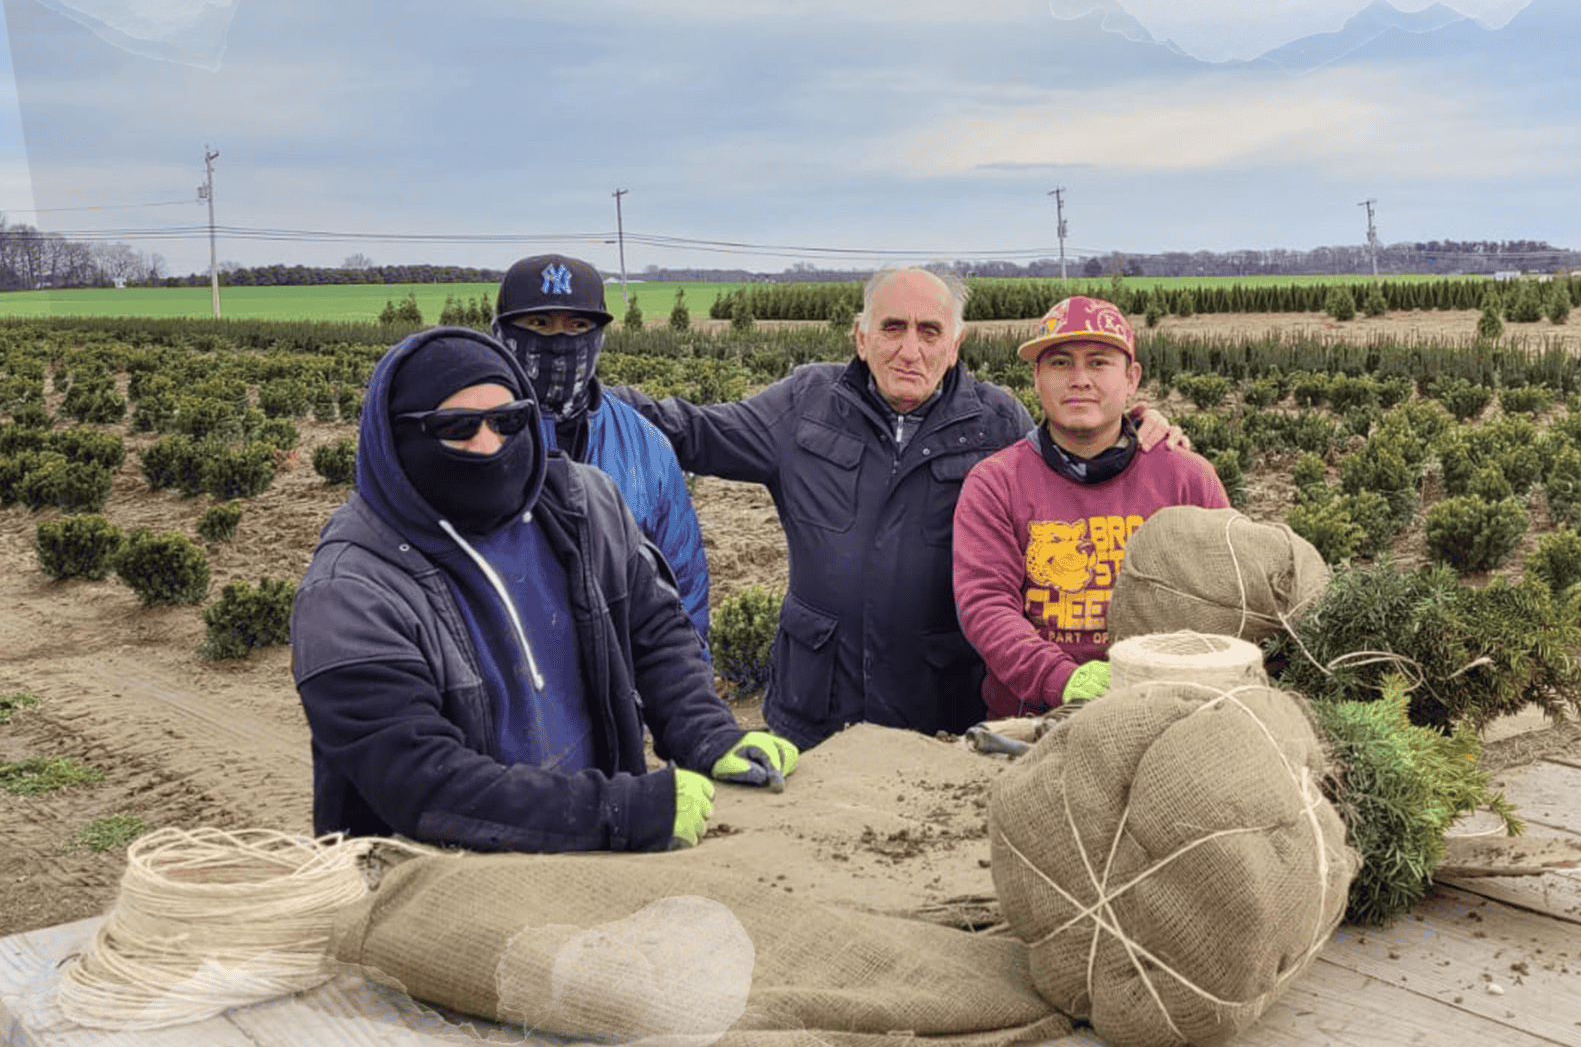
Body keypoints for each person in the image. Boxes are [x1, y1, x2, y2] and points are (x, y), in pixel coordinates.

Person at [607, 266, 1188, 750]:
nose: (910, 349)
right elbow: (692, 430)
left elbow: (1072, 462)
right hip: (815, 704)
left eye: (930, 331)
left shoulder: (995, 419)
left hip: (942, 706)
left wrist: (1132, 428)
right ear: (861, 337)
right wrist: (585, 398)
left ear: (956, 343)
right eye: (892, 328)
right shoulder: (805, 404)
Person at [290, 326, 797, 854]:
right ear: (397, 439)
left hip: (583, 860)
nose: (489, 446)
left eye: (508, 421)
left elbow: (657, 632)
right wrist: (619, 812)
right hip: (426, 888)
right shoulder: (348, 592)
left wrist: (708, 733)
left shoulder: (585, 505)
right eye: (456, 426)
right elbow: (420, 781)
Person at [953, 295, 1230, 719]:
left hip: (1162, 710)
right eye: (1061, 363)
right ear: (1038, 378)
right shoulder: (996, 483)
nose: (1080, 379)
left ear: (1131, 378)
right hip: (1032, 717)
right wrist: (1061, 680)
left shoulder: (1187, 479)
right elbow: (987, 605)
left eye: (1099, 362)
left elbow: (1225, 596)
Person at [491, 253, 711, 644]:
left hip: (624, 686)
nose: (560, 343)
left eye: (578, 325)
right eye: (538, 324)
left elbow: (683, 591)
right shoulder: (470, 440)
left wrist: (684, 688)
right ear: (501, 333)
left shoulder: (647, 447)